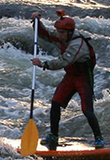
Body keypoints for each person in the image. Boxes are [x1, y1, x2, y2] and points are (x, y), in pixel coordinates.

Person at [31, 9, 103, 151]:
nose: (59, 35)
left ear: (70, 32)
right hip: (70, 77)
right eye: (59, 32)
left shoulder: (78, 44)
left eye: (62, 32)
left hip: (83, 78)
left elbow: (63, 61)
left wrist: (43, 64)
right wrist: (36, 22)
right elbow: (46, 34)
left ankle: (98, 137)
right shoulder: (62, 36)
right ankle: (54, 135)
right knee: (56, 103)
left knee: (87, 110)